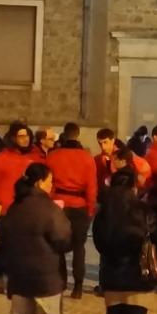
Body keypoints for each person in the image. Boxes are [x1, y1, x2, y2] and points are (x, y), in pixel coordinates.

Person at [0, 162, 71, 314]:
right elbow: (63, 239)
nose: (51, 185)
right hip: (46, 274)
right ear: (40, 183)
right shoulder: (49, 209)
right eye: (50, 181)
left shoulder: (15, 207)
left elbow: (6, 238)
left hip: (19, 271)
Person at [91, 168, 157, 314]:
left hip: (111, 273)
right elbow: (156, 240)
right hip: (138, 274)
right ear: (133, 186)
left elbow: (98, 243)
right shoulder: (143, 210)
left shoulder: (104, 213)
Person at [44, 122, 99, 298]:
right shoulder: (87, 158)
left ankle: (60, 281)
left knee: (57, 245)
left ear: (64, 135)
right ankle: (78, 286)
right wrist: (90, 207)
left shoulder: (52, 156)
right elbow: (92, 186)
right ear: (78, 135)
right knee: (79, 246)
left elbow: (48, 183)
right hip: (79, 204)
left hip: (58, 203)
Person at [0, 122, 35, 220]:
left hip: (26, 208)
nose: (26, 139)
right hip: (6, 209)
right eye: (21, 136)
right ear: (13, 138)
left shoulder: (30, 158)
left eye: (27, 135)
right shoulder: (0, 159)